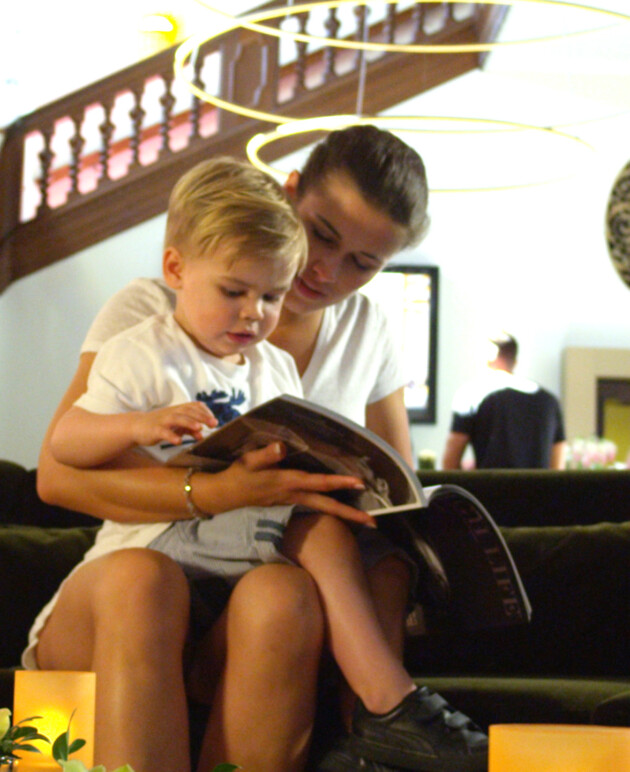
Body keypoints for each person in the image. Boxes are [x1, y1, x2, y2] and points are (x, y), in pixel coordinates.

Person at [32, 125, 486, 772]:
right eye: (323, 234)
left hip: (258, 605)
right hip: (131, 590)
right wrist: (216, 492)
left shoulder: (359, 334)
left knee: (285, 592)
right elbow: (57, 473)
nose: (326, 270)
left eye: (364, 263)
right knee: (144, 581)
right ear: (289, 192)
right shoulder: (155, 312)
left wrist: (393, 566)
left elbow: (396, 498)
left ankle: (384, 715)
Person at [442, 333, 567, 470]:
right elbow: (557, 466)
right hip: (539, 490)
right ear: (514, 361)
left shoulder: (471, 393)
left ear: (487, 357)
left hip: (488, 490)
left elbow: (450, 464)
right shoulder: (549, 401)